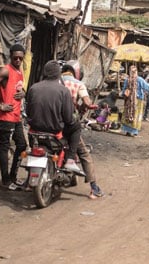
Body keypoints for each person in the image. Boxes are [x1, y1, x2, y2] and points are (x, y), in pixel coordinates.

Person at [0, 44, 28, 190]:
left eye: (20, 58)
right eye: (15, 57)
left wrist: (23, 93)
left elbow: (18, 88)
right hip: (6, 116)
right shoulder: (6, 70)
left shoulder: (19, 71)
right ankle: (6, 180)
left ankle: (13, 177)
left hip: (16, 116)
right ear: (10, 56)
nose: (17, 60)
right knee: (4, 146)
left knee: (22, 145)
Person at [26, 61, 82, 175]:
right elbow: (68, 118)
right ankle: (70, 159)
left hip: (34, 132)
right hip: (54, 133)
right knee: (76, 127)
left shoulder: (33, 88)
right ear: (59, 74)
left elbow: (28, 111)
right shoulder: (63, 91)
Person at [59, 61, 105, 198]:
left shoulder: (55, 81)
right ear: (77, 72)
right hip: (69, 124)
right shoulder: (78, 84)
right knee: (84, 154)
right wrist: (87, 106)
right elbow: (86, 102)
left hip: (50, 122)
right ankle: (94, 188)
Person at [120, 65, 149, 136]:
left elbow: (124, 90)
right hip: (138, 100)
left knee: (129, 113)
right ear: (136, 72)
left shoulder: (127, 80)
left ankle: (128, 131)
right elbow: (147, 87)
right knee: (136, 114)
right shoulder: (139, 79)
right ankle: (134, 131)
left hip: (129, 100)